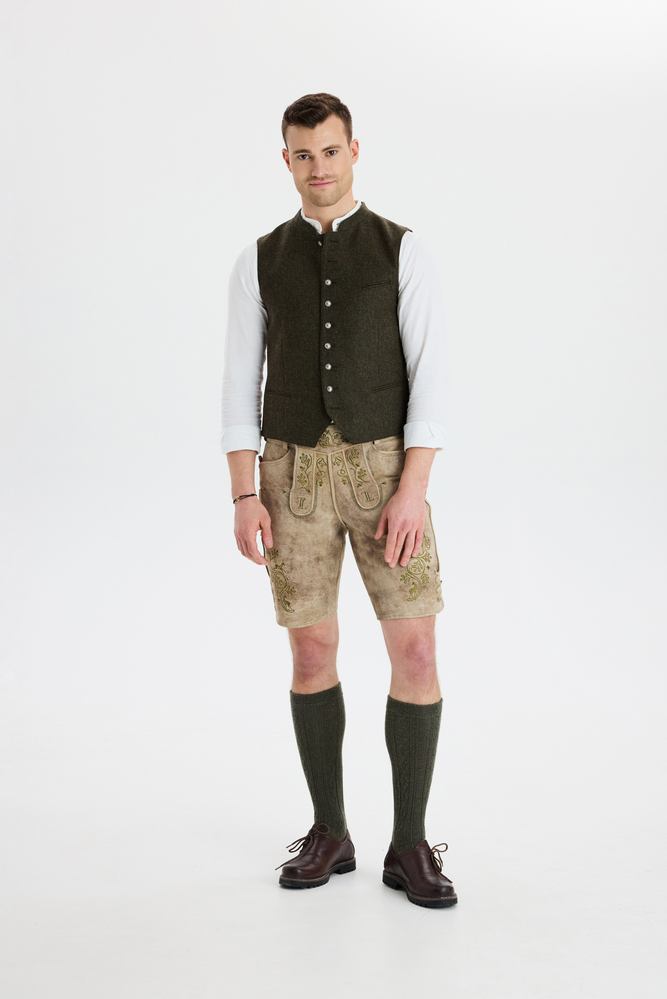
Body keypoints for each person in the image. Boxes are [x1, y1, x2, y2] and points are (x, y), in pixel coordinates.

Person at [221, 93, 457, 908]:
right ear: (285, 160)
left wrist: (413, 488)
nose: (317, 167)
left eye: (329, 150)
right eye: (302, 153)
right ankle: (330, 830)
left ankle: (410, 843)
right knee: (310, 652)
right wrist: (244, 492)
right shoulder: (258, 259)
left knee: (415, 652)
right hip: (288, 478)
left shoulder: (402, 248)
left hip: (386, 472)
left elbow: (430, 375)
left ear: (354, 151)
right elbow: (237, 382)